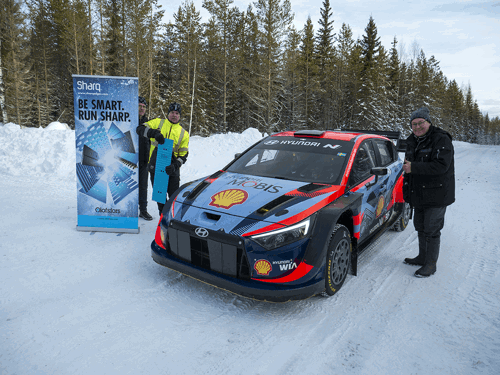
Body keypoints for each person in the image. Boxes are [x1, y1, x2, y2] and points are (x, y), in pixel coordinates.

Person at [402, 106, 455, 277]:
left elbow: (441, 166)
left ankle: (431, 265)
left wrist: (414, 167)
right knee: (420, 227)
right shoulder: (412, 140)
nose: (417, 127)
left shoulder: (441, 139)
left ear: (428, 122)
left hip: (437, 194)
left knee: (432, 229)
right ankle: (422, 257)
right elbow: (407, 167)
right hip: (419, 193)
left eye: (420, 123)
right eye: (413, 124)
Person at [136, 102, 189, 215]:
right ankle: (163, 220)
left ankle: (171, 221)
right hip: (157, 167)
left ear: (179, 116)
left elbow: (184, 154)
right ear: (168, 113)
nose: (174, 115)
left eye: (176, 113)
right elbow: (139, 129)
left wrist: (176, 165)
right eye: (172, 113)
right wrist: (153, 133)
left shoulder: (184, 133)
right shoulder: (158, 122)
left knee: (173, 198)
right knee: (160, 199)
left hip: (172, 169)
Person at [137, 96, 153, 221]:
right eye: (139, 106)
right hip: (130, 159)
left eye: (144, 107)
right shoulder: (130, 120)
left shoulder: (148, 122)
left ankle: (143, 210)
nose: (142, 108)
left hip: (144, 159)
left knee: (143, 185)